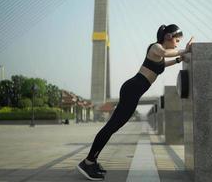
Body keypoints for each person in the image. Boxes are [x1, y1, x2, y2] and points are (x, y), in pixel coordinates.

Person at [76, 24, 193, 181]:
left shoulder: (159, 55)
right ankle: (88, 162)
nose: (178, 44)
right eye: (177, 40)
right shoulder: (156, 47)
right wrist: (185, 50)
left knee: (112, 127)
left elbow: (162, 64)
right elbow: (165, 53)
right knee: (111, 127)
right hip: (132, 89)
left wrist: (179, 59)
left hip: (133, 90)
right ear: (168, 37)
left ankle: (92, 161)